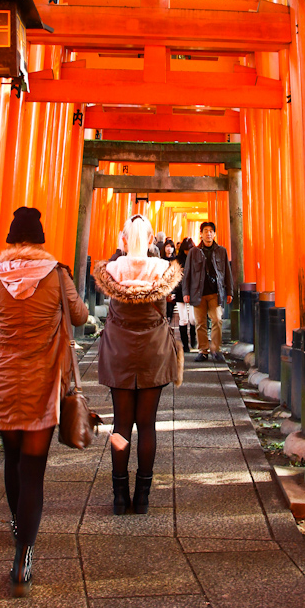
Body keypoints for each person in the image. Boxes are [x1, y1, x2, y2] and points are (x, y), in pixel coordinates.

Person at [0, 206, 89, 596]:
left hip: (3, 379)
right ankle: (23, 559)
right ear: (40, 240)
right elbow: (79, 316)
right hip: (42, 380)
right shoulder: (56, 274)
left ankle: (16, 525)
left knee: (13, 459)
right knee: (33, 470)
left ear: (11, 240)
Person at [93, 215, 182, 515]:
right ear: (150, 239)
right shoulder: (162, 269)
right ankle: (142, 496)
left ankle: (119, 496)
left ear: (124, 239)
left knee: (121, 424)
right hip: (153, 352)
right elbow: (165, 310)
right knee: (147, 425)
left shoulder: (112, 270)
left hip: (119, 351)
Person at [182, 221, 234, 361]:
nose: (208, 233)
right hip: (198, 292)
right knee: (200, 323)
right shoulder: (194, 252)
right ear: (201, 234)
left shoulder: (221, 251)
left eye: (211, 231)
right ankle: (203, 350)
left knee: (217, 319)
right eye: (206, 231)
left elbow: (227, 272)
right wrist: (186, 293)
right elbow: (187, 273)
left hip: (215, 293)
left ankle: (216, 349)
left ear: (214, 234)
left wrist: (230, 291)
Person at [175, 237, 197, 355]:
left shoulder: (197, 259)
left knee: (193, 318)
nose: (188, 252)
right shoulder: (178, 261)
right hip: (180, 292)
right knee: (183, 319)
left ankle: (193, 339)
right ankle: (185, 344)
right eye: (186, 249)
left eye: (190, 249)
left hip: (193, 291)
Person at [163, 239, 178, 322]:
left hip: (173, 287)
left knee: (170, 309)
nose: (169, 249)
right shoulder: (161, 260)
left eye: (171, 247)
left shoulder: (176, 260)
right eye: (168, 246)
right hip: (163, 286)